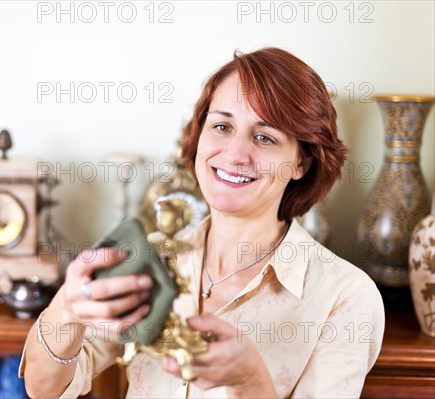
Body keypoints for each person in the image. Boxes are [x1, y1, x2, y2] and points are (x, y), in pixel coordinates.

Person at [19, 47, 385, 398]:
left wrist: (249, 381)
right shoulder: (149, 259)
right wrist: (66, 309)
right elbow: (44, 388)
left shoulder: (346, 297)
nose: (235, 154)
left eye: (264, 137)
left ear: (301, 163)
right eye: (222, 127)